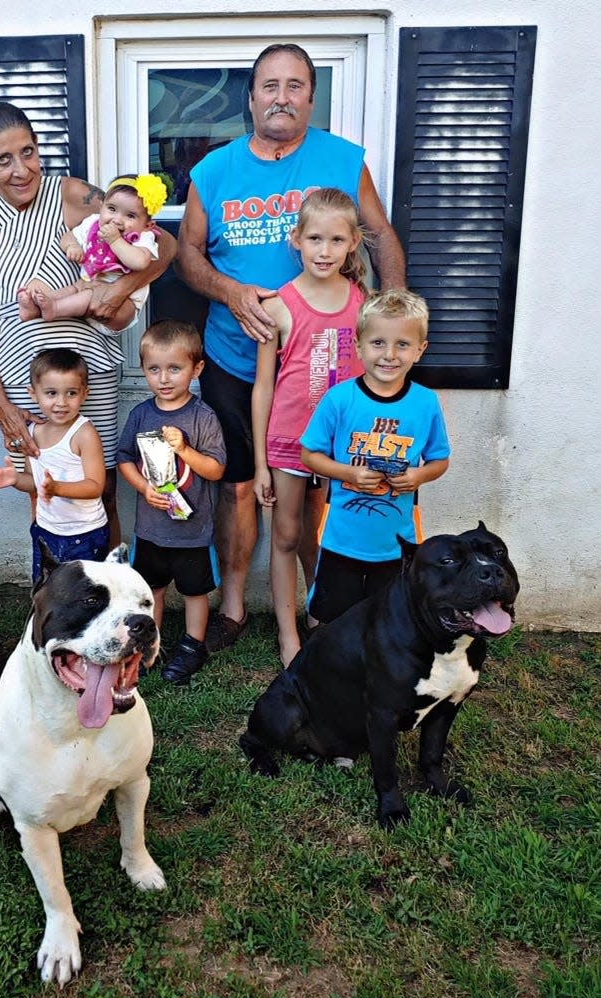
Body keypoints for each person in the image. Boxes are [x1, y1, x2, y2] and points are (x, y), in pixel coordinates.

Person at [178, 42, 406, 651]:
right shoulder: (214, 170)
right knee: (239, 485)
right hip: (237, 354)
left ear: (311, 95)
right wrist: (229, 292)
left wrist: (397, 323)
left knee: (320, 488)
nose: (282, 96)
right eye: (269, 85)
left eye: (295, 85)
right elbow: (187, 254)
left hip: (330, 370)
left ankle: (316, 603)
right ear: (250, 98)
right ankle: (232, 603)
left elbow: (380, 236)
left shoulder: (341, 159)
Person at [0, 102, 176, 546]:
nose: (21, 170)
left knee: (104, 491)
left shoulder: (74, 196)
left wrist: (118, 290)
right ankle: (54, 601)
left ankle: (111, 601)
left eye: (28, 152)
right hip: (26, 385)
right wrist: (2, 408)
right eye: (3, 159)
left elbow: (166, 245)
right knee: (43, 495)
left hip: (88, 376)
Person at [252, 188, 368, 667]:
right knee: (285, 532)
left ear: (353, 244)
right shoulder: (278, 305)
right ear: (296, 239)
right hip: (288, 443)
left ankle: (321, 614)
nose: (324, 250)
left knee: (322, 535)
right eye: (315, 238)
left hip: (339, 447)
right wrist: (260, 462)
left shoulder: (363, 303)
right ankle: (288, 635)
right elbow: (262, 388)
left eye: (336, 240)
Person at [300, 289, 450, 623]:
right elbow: (309, 455)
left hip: (398, 543)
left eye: (402, 344)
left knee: (390, 619)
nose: (390, 355)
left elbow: (440, 460)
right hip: (340, 538)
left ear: (420, 350)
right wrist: (347, 473)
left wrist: (418, 476)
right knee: (334, 618)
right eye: (378, 342)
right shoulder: (339, 400)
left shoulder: (425, 404)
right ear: (359, 346)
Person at [117, 320, 226, 685]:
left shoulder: (202, 416)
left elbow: (215, 470)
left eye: (174, 368)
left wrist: (184, 449)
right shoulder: (141, 415)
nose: (164, 378)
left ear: (196, 369)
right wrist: (142, 487)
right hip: (150, 529)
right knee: (152, 590)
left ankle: (193, 645)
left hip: (193, 531)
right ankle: (151, 644)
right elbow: (124, 458)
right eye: (153, 369)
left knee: (195, 591)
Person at [0, 348, 109, 583]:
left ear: (84, 394)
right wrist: (15, 480)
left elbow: (95, 486)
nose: (61, 402)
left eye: (71, 393)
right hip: (46, 530)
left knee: (83, 594)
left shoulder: (84, 433)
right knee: (46, 588)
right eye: (51, 393)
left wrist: (57, 488)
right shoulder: (32, 433)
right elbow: (34, 482)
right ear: (33, 393)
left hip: (84, 533)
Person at [17, 173, 167, 333]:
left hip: (123, 305)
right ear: (101, 206)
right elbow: (68, 237)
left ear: (148, 225)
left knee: (89, 294)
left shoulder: (143, 236)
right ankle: (36, 307)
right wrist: (72, 246)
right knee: (72, 290)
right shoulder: (93, 223)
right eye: (112, 209)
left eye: (130, 215)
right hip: (87, 286)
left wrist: (115, 241)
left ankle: (54, 309)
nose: (117, 220)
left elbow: (140, 262)